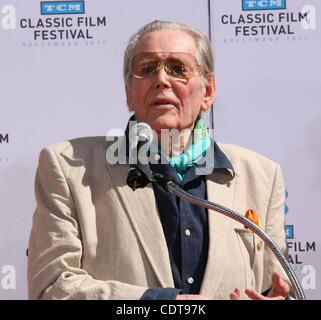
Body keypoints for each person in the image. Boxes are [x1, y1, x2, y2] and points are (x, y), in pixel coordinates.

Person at [27, 20, 291, 300]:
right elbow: (51, 287)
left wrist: (278, 296)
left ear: (208, 90)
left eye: (178, 68)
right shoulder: (68, 167)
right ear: (129, 92)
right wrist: (161, 303)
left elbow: (274, 286)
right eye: (147, 69)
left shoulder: (262, 176)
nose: (162, 79)